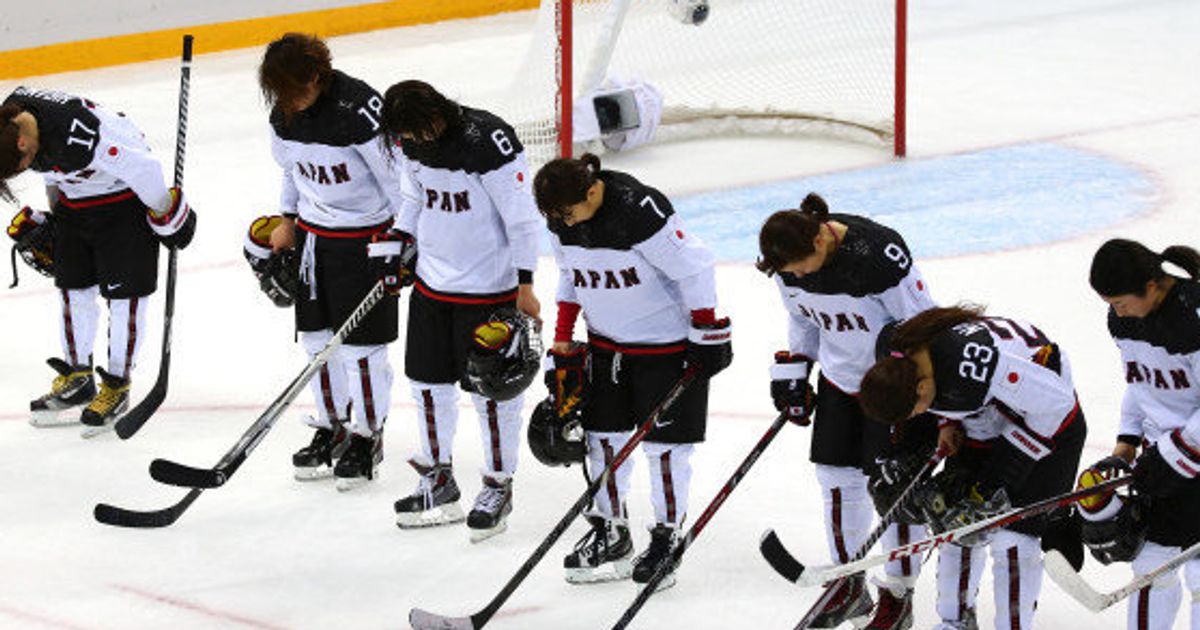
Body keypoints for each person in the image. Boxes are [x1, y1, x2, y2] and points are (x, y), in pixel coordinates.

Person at [532, 153, 732, 588]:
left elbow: (694, 267)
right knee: (601, 440)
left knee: (664, 449)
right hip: (605, 344)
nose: (563, 224)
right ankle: (611, 529)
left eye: (568, 213)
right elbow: (571, 275)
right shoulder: (563, 218)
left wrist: (706, 331)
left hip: (664, 347)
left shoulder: (638, 211)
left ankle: (666, 537)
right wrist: (564, 335)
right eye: (555, 217)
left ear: (591, 192)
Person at [756, 193, 937, 629]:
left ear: (820, 241)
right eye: (788, 273)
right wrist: (796, 370)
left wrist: (919, 395)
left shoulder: (879, 256)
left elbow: (923, 325)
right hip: (838, 379)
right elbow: (803, 319)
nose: (795, 277)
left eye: (800, 267)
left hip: (892, 388)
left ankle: (898, 593)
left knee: (894, 493)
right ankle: (848, 582)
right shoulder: (789, 262)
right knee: (835, 480)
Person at [379, 80, 542, 542]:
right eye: (403, 136)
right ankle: (438, 477)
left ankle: (497, 484)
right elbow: (414, 199)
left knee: (491, 394)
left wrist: (525, 284)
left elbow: (521, 218)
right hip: (433, 285)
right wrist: (399, 242)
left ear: (436, 114)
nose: (409, 142)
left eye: (414, 132)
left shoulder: (487, 141)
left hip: (489, 290)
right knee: (428, 386)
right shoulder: (407, 144)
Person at [860, 305, 1088, 630]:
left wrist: (1001, 476)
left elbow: (1057, 405)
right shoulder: (897, 352)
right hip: (990, 413)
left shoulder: (969, 367)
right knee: (955, 524)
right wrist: (944, 423)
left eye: (913, 412)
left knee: (1013, 540)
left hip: (1049, 422)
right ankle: (956, 622)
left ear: (922, 390)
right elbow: (946, 400)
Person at [258, 33, 409, 490]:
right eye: (280, 93)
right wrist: (287, 219)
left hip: (366, 240)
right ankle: (332, 424)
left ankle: (367, 435)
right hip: (313, 240)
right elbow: (291, 171)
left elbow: (400, 183)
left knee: (362, 350)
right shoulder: (283, 114)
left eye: (295, 90)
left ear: (318, 77)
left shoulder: (361, 111)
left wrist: (401, 241)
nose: (289, 102)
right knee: (318, 342)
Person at [1, 86, 196, 434]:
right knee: (72, 289)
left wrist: (166, 214)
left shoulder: (81, 135)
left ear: (21, 145)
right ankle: (78, 376)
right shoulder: (11, 119)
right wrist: (57, 213)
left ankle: (117, 385)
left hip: (123, 205)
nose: (23, 171)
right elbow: (51, 170)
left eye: (20, 167)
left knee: (125, 299)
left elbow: (144, 167)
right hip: (76, 205)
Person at [1079, 238, 1200, 630]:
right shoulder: (1124, 320)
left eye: (1120, 302)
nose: (1117, 312)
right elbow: (1141, 382)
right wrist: (1127, 444)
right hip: (1164, 457)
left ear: (1151, 286)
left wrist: (1174, 455)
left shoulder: (1194, 317)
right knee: (1152, 568)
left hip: (1185, 455)